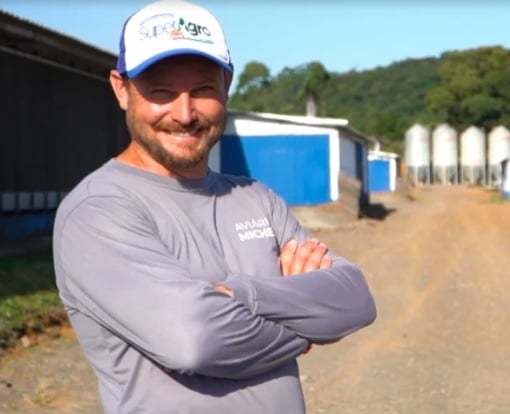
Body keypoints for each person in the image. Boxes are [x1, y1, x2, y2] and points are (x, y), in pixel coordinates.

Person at [52, 1, 376, 413]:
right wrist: (306, 326)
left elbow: (355, 300)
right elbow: (196, 341)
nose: (184, 114)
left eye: (203, 89)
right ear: (121, 89)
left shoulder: (255, 197)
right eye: (161, 92)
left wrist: (242, 295)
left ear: (226, 84)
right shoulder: (98, 212)